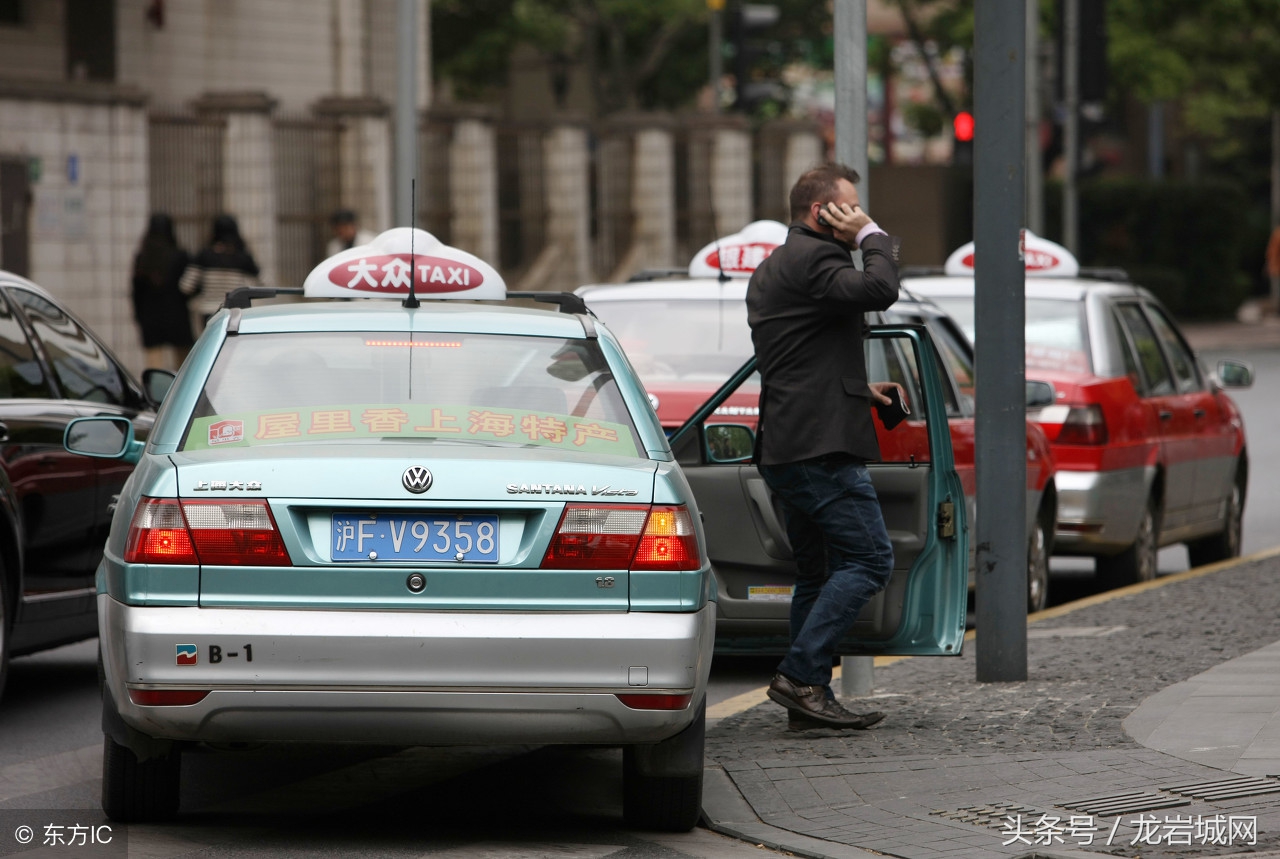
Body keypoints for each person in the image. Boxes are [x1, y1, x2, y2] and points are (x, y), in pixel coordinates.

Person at [746, 162, 903, 730]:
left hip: (790, 440)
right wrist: (870, 234)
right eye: (850, 205)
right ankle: (801, 676)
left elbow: (798, 358)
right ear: (823, 212)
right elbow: (882, 288)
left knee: (816, 572)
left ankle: (807, 703)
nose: (858, 212)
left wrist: (861, 389)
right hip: (818, 448)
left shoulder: (777, 265)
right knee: (869, 558)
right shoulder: (817, 258)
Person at [130, 213, 193, 371]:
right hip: (177, 315)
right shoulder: (180, 256)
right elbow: (188, 289)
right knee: (183, 365)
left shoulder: (143, 259)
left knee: (154, 364)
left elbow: (136, 291)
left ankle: (157, 394)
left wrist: (138, 316)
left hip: (150, 316)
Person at [180, 214, 260, 328]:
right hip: (236, 313)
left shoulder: (204, 256)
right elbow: (261, 283)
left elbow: (186, 286)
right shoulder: (243, 257)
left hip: (208, 312)